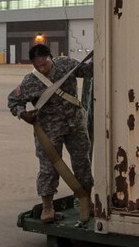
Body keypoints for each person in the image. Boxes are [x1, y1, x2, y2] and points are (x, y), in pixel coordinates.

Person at [7, 44, 93, 223]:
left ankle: (86, 201)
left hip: (75, 124)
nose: (43, 69)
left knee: (82, 163)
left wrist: (101, 54)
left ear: (51, 58)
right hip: (48, 130)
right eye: (38, 66)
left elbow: (87, 71)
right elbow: (13, 100)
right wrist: (23, 114)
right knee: (48, 168)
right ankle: (48, 206)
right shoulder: (30, 81)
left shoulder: (66, 65)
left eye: (45, 64)